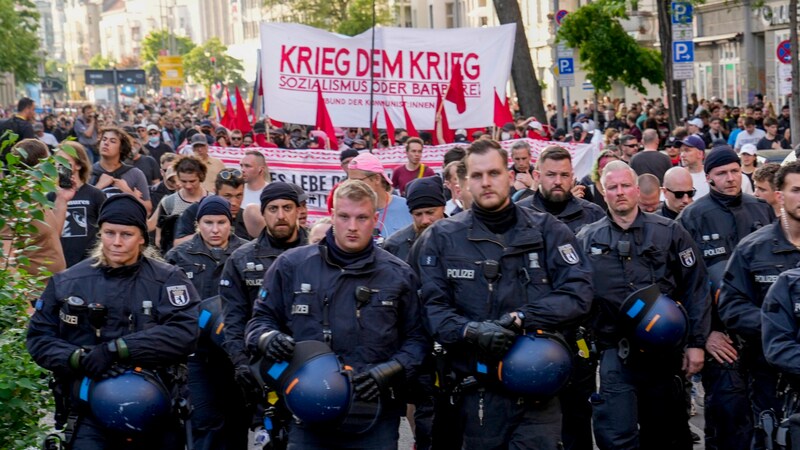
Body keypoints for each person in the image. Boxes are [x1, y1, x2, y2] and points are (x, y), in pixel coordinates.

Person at [412, 139, 594, 449]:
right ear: (464, 182)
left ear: (510, 176)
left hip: (537, 389)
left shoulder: (548, 231)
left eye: (494, 173)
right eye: (477, 175)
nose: (486, 182)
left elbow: (579, 293)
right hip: (474, 394)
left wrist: (521, 319)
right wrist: (471, 331)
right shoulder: (441, 238)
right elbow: (432, 310)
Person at [244, 179, 428, 448]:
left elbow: (418, 339)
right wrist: (268, 339)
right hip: (308, 411)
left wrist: (388, 372)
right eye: (344, 216)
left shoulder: (398, 274)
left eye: (362, 217)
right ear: (332, 216)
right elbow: (259, 321)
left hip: (374, 413)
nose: (352, 227)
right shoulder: (292, 265)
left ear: (375, 219)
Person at [26, 194, 199, 449]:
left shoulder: (169, 280)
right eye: (109, 233)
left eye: (126, 235)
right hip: (89, 412)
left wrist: (118, 350)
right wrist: (79, 358)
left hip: (155, 407)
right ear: (100, 234)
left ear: (142, 237)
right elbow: (39, 338)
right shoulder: (68, 281)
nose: (117, 242)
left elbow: (185, 331)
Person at [576, 161, 709, 450]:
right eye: (612, 187)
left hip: (664, 353)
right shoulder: (586, 239)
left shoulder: (670, 233)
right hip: (614, 352)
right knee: (616, 435)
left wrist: (696, 343)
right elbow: (575, 294)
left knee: (666, 434)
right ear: (603, 191)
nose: (620, 192)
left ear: (637, 189)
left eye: (625, 186)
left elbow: (695, 288)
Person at [677, 145, 774, 450]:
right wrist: (705, 335)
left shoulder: (761, 209)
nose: (731, 178)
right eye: (722, 173)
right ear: (709, 178)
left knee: (768, 415)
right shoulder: (692, 217)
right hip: (721, 338)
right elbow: (687, 285)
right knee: (727, 417)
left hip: (762, 333)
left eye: (735, 171)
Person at [718, 161, 800, 450]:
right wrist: (779, 326)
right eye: (797, 190)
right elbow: (731, 308)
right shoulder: (753, 248)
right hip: (769, 376)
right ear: (779, 196)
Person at [219, 182, 309, 435]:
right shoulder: (241, 259)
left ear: (298, 211)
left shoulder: (320, 251)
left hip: (311, 362)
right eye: (273, 208)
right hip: (262, 366)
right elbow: (234, 319)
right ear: (263, 212)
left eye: (287, 208)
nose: (280, 215)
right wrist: (241, 364)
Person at [1, 139, 69, 277]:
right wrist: (20, 296)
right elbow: (5, 259)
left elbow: (52, 235)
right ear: (41, 165)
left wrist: (62, 200)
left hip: (51, 287)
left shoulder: (37, 197)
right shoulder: (14, 204)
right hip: (32, 293)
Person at [517, 145, 604, 233]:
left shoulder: (594, 214)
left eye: (564, 175)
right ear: (537, 176)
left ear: (571, 177)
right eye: (551, 175)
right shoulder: (519, 214)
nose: (558, 182)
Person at [52, 142, 106, 267]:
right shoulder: (50, 196)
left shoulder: (95, 195)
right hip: (61, 264)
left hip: (89, 264)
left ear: (78, 165)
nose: (60, 165)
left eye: (65, 161)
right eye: (57, 161)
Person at [347, 152, 412, 241]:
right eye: (350, 181)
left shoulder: (406, 208)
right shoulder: (349, 210)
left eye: (357, 181)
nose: (352, 186)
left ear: (377, 179)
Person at [173, 169, 250, 245]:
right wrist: (204, 233)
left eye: (239, 196)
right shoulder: (194, 211)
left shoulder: (246, 218)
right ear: (215, 192)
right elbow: (178, 243)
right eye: (227, 196)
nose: (233, 202)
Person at [152, 156, 208, 253]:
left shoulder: (211, 201)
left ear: (201, 177)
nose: (188, 186)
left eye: (192, 181)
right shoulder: (168, 202)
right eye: (184, 181)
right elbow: (159, 238)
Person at [90, 126, 152, 214]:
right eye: (104, 139)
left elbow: (148, 210)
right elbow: (78, 207)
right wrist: (98, 187)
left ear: (121, 148)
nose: (106, 143)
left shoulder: (135, 174)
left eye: (112, 141)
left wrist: (128, 192)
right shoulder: (88, 173)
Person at [383, 176, 446, 262]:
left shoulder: (461, 237)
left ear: (443, 208)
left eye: (430, 212)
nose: (425, 220)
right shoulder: (395, 246)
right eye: (418, 214)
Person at [676, 135, 709, 199]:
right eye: (681, 151)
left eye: (687, 150)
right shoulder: (677, 176)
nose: (682, 155)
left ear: (700, 154)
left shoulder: (711, 175)